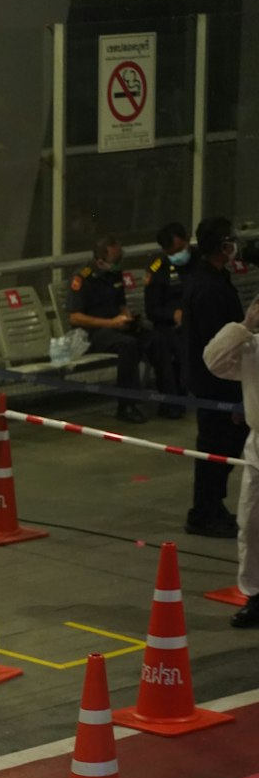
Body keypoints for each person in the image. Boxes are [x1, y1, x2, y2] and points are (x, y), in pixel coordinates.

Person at [181, 216, 249, 538]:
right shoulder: (209, 288)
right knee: (214, 449)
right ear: (223, 246)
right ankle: (203, 511)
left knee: (222, 450)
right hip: (216, 386)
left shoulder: (212, 279)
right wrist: (236, 397)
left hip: (217, 384)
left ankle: (211, 505)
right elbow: (217, 350)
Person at [202, 299, 259, 628]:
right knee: (251, 524)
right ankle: (255, 594)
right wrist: (245, 324)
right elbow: (214, 360)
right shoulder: (251, 345)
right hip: (257, 447)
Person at [69, 234, 161, 424]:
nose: (119, 263)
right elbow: (75, 317)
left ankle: (170, 395)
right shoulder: (82, 277)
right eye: (115, 259)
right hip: (92, 333)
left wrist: (127, 317)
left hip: (116, 326)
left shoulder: (114, 273)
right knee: (128, 345)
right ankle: (127, 405)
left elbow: (121, 303)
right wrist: (110, 323)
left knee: (155, 338)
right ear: (100, 260)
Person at [144, 220, 193, 418]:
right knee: (167, 343)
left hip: (197, 319)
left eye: (180, 249)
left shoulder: (198, 262)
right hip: (169, 325)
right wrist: (173, 315)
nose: (177, 255)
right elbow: (152, 310)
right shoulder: (158, 269)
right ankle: (173, 401)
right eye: (172, 252)